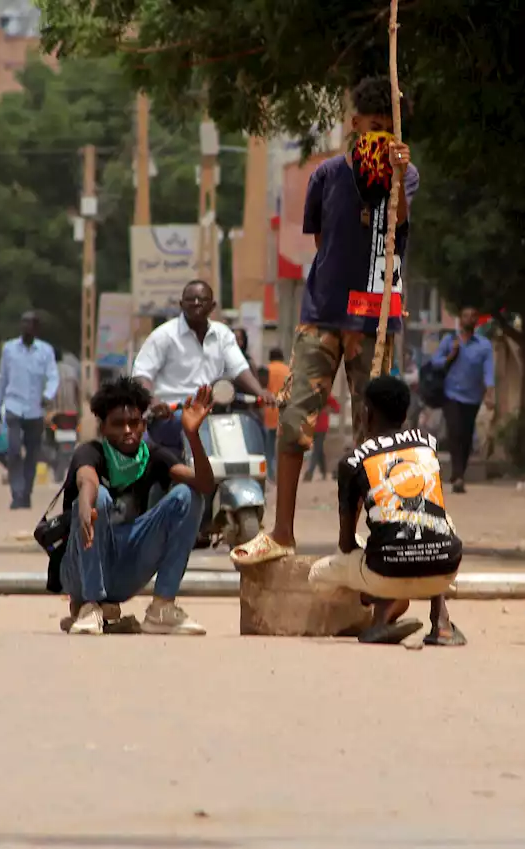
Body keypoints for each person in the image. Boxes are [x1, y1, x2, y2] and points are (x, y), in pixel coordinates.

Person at [234, 77, 418, 565]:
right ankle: (281, 533)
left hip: (375, 322)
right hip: (323, 315)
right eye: (372, 127)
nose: (379, 136)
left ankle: (354, 539)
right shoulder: (328, 175)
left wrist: (397, 177)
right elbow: (322, 244)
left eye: (389, 129)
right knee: (295, 419)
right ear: (354, 125)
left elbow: (399, 229)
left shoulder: (407, 175)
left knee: (373, 433)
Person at [309, 376, 465, 645]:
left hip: (385, 575)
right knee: (437, 520)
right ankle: (442, 623)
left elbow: (346, 544)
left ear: (366, 414)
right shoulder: (428, 444)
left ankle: (379, 617)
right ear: (405, 413)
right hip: (444, 571)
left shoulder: (353, 461)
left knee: (319, 575)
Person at [60, 377, 214, 636]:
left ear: (144, 425)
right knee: (100, 499)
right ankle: (89, 607)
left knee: (190, 496)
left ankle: (162, 607)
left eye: (134, 423)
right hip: (81, 569)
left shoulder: (152, 456)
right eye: (118, 424)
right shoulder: (91, 452)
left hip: (124, 570)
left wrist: (192, 435)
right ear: (104, 428)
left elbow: (205, 485)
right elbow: (87, 479)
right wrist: (86, 505)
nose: (128, 430)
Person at [132, 280, 272, 453]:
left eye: (202, 299)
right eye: (191, 299)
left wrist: (260, 392)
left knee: (254, 427)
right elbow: (141, 374)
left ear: (212, 306)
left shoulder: (222, 334)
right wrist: (153, 402)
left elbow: (239, 369)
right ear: (181, 304)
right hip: (173, 414)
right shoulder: (163, 335)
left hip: (215, 412)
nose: (197, 303)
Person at [0, 311, 59, 510]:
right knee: (13, 450)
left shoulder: (46, 351)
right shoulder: (9, 349)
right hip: (14, 406)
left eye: (30, 323)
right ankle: (16, 492)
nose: (26, 327)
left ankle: (26, 494)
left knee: (32, 454)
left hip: (35, 410)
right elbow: (3, 380)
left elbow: (53, 376)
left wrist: (48, 395)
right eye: (23, 323)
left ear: (36, 328)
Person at [429, 306, 495, 493]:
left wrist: (490, 393)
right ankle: (457, 476)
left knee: (466, 435)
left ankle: (460, 472)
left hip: (472, 398)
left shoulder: (484, 345)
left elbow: (488, 371)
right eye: (466, 315)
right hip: (451, 395)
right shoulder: (450, 340)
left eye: (473, 315)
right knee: (455, 432)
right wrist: (450, 356)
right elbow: (435, 362)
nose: (469, 318)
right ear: (460, 318)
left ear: (476, 320)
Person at [262, 348, 290, 482]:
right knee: (283, 445)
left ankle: (270, 474)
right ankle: (282, 473)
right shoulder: (288, 370)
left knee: (269, 446)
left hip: (269, 411)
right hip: (284, 411)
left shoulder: (267, 369)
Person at [304, 393, 341, 482]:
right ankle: (323, 471)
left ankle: (310, 472)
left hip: (321, 427)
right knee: (319, 449)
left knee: (316, 449)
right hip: (312, 426)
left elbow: (337, 409)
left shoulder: (327, 396)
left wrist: (329, 409)